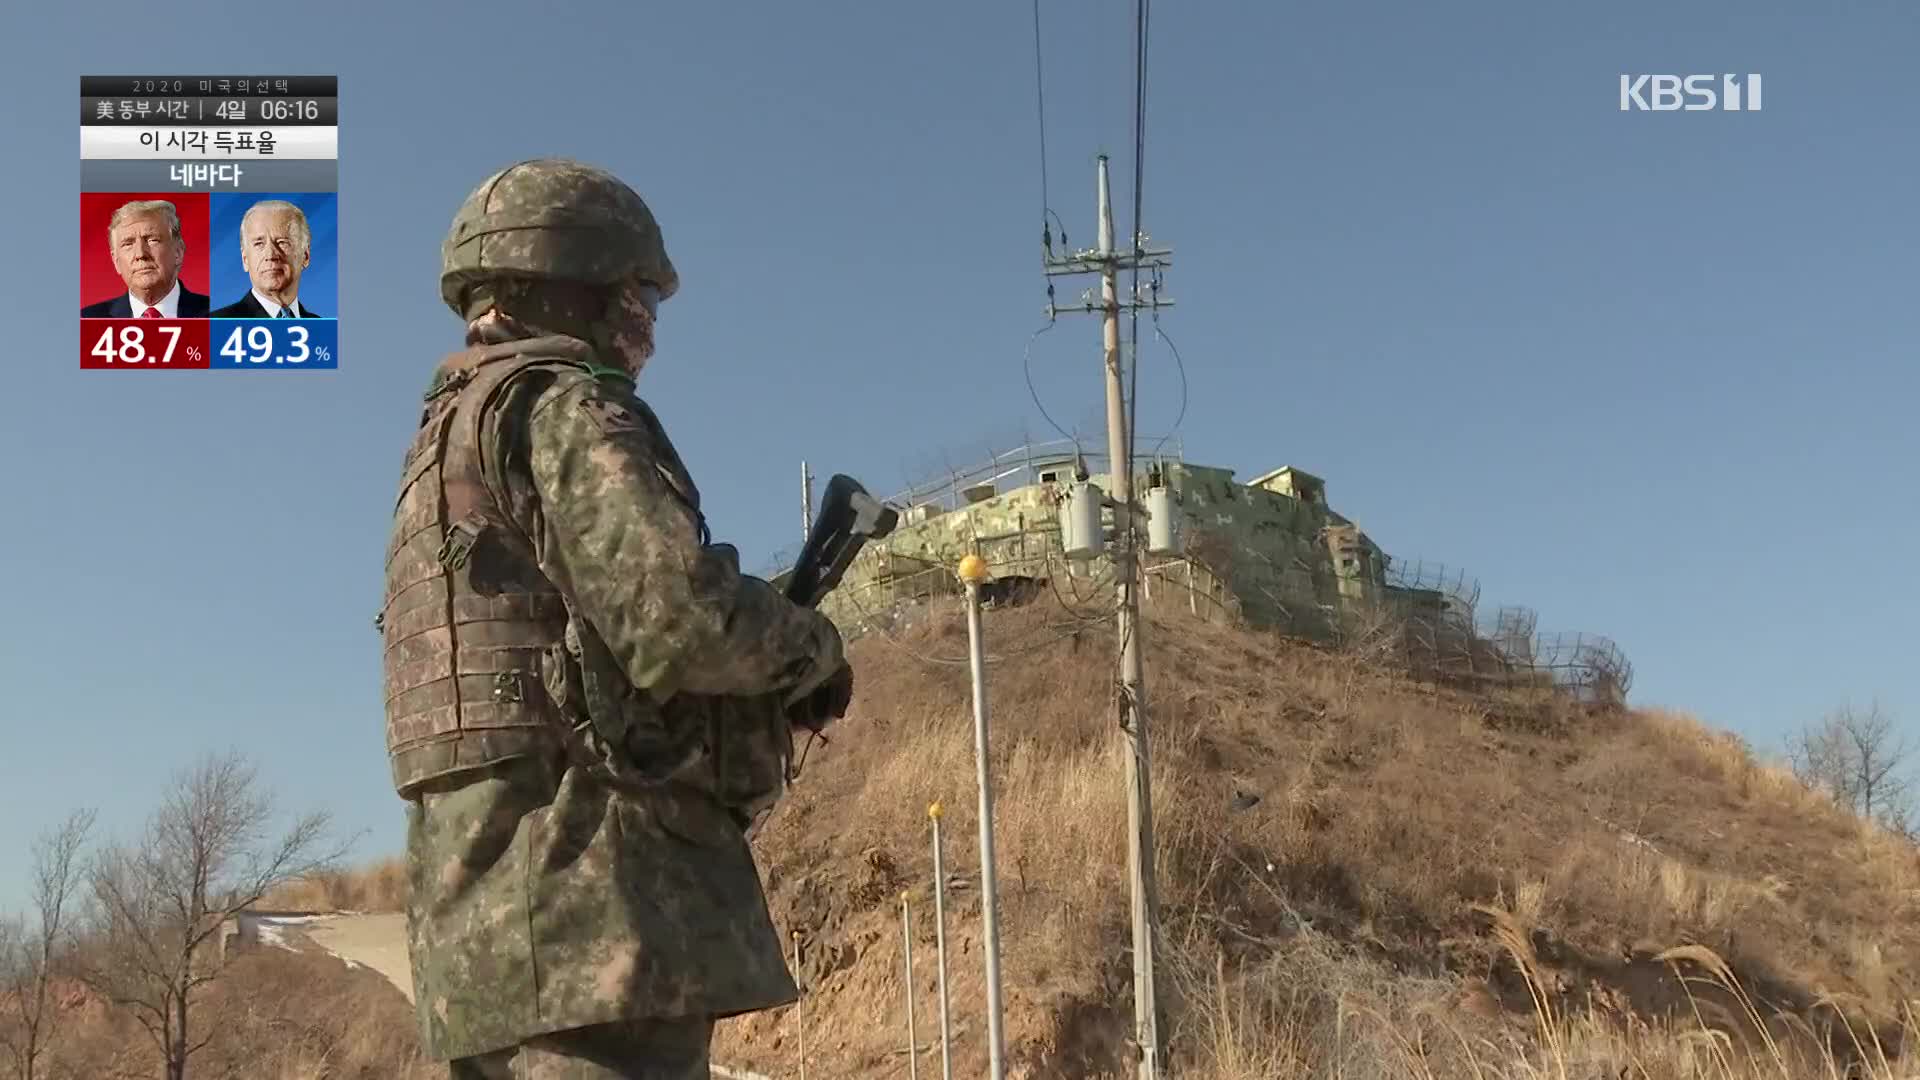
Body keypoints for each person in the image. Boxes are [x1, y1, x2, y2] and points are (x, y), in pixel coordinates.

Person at [380, 157, 853, 1079]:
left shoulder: (442, 450)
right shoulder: (563, 408)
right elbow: (677, 619)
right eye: (636, 292)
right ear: (575, 282)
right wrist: (812, 650)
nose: (644, 320)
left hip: (484, 949)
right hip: (595, 917)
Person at [80, 198, 211, 317]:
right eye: (128, 244)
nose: (140, 254)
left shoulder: (219, 315)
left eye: (152, 240)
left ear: (178, 252)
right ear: (116, 261)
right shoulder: (86, 321)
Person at [211, 199, 324, 317]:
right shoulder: (213, 326)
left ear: (305, 256)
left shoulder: (325, 330)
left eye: (282, 242)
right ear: (245, 259)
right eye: (259, 243)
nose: (270, 255)